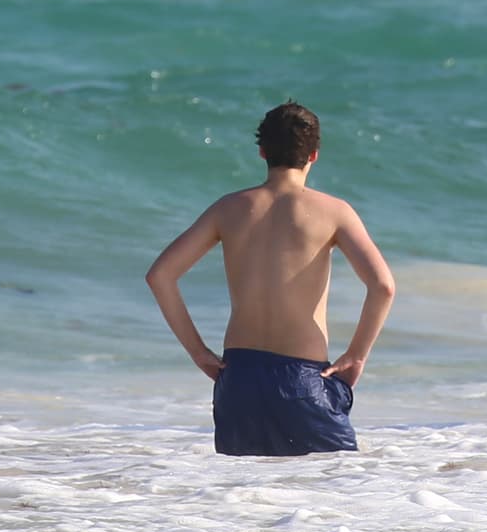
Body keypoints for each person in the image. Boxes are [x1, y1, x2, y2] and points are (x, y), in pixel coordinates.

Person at [146, 100, 396, 456]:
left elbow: (160, 275)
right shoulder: (334, 212)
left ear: (262, 151)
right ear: (314, 155)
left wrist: (199, 353)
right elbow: (383, 286)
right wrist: (356, 355)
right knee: (331, 502)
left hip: (238, 381)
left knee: (245, 505)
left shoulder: (228, 208)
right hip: (303, 381)